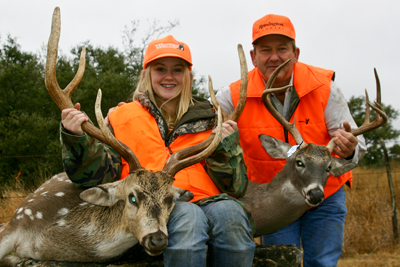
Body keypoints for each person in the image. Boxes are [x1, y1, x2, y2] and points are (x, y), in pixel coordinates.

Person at [60, 35, 255, 267]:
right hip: (147, 206)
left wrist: (227, 146)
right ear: (147, 75)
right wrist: (77, 139)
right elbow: (98, 176)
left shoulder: (212, 118)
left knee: (231, 215)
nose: (169, 77)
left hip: (208, 199)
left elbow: (236, 187)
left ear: (188, 77)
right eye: (160, 69)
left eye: (178, 70)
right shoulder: (121, 117)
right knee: (188, 218)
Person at [215, 14, 367, 266]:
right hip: (273, 197)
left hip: (324, 194)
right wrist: (144, 104)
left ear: (295, 52)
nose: (274, 57)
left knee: (322, 262)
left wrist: (349, 150)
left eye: (282, 49)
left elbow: (358, 146)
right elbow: (196, 122)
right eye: (266, 50)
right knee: (279, 262)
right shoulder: (232, 95)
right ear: (253, 57)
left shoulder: (324, 87)